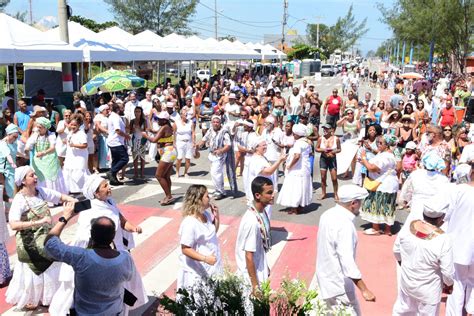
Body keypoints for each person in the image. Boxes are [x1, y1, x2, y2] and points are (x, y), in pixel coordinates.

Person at [49, 174, 146, 315]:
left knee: (117, 286)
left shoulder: (111, 203)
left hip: (116, 250)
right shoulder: (88, 210)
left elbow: (123, 221)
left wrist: (134, 228)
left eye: (108, 184)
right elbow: (82, 238)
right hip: (96, 256)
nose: (109, 188)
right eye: (105, 186)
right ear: (95, 192)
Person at [6, 166, 76, 310]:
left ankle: (50, 296)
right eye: (32, 175)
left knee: (55, 257)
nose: (36, 177)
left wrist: (72, 200)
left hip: (47, 238)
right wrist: (38, 222)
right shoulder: (20, 200)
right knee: (47, 260)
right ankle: (35, 297)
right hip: (30, 243)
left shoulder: (41, 192)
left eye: (35, 174)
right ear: (23, 181)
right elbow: (13, 224)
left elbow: (60, 197)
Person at [44, 213, 140, 315]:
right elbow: (128, 277)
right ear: (113, 235)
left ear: (91, 234)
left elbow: (50, 243)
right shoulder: (125, 258)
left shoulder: (80, 256)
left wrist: (64, 218)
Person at [316, 184, 375, 315]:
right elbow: (347, 261)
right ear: (353, 203)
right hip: (339, 285)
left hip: (325, 278)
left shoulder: (327, 214)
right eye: (360, 202)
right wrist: (364, 289)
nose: (361, 205)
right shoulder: (345, 225)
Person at [392, 200, 454, 316]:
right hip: (429, 290)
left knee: (403, 311)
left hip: (407, 282)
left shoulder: (409, 227)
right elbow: (447, 272)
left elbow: (396, 251)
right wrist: (449, 285)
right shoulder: (443, 239)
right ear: (440, 219)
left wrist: (405, 265)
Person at [178, 185, 223, 292]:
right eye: (207, 196)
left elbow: (212, 233)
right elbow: (185, 249)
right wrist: (205, 259)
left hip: (211, 267)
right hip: (197, 272)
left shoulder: (205, 215)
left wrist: (216, 217)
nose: (210, 198)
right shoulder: (190, 223)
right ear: (198, 200)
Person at [235, 176, 274, 301]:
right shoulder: (252, 222)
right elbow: (249, 256)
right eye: (269, 193)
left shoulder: (261, 212)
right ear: (258, 195)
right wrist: (255, 286)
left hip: (259, 268)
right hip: (252, 276)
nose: (272, 195)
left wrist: (265, 265)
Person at [444, 170, 474, 316]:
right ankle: (471, 310)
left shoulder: (459, 190)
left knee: (457, 282)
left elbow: (446, 214)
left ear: (471, 172)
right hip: (464, 245)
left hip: (459, 245)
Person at [359, 134, 399, 235]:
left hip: (382, 184)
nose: (378, 144)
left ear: (387, 145)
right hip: (390, 183)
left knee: (375, 204)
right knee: (387, 205)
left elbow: (373, 168)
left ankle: (376, 228)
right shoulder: (390, 155)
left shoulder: (385, 156)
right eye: (377, 142)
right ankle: (387, 229)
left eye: (381, 143)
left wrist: (363, 158)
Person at [196, 115, 237, 200]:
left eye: (217, 122)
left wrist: (221, 151)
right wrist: (199, 145)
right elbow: (204, 139)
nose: (215, 124)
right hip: (211, 155)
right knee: (213, 174)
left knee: (216, 173)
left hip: (220, 155)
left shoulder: (224, 132)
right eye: (214, 122)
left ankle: (221, 192)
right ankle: (217, 189)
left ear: (220, 123)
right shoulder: (210, 130)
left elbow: (228, 145)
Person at [246, 137, 286, 218]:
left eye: (266, 145)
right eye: (263, 145)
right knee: (261, 214)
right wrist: (280, 160)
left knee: (266, 213)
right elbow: (268, 172)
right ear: (256, 147)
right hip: (260, 192)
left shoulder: (262, 157)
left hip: (265, 190)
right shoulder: (256, 160)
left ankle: (265, 228)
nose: (265, 147)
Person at [142, 111, 177, 205]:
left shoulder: (164, 127)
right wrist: (150, 130)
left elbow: (154, 140)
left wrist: (145, 135)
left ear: (164, 120)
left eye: (159, 119)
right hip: (172, 151)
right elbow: (159, 133)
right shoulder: (167, 127)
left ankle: (169, 196)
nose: (157, 120)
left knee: (159, 175)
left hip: (168, 152)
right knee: (166, 176)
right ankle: (169, 195)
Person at [25, 117, 67, 195]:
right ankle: (42, 195)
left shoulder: (51, 135)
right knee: (41, 178)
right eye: (37, 126)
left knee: (50, 178)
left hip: (50, 160)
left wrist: (43, 153)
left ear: (45, 128)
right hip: (39, 161)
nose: (38, 129)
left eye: (40, 127)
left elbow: (52, 148)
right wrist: (27, 149)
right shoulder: (35, 134)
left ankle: (53, 197)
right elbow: (29, 143)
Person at [277, 123, 312, 214]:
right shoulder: (306, 142)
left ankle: (295, 207)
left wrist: (290, 165)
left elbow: (297, 156)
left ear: (297, 134)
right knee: (302, 186)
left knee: (295, 187)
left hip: (297, 169)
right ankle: (300, 205)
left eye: (294, 134)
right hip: (305, 168)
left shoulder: (299, 143)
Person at [63, 114, 90, 194]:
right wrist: (66, 142)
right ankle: (73, 189)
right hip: (71, 155)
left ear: (79, 125)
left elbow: (85, 145)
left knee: (79, 172)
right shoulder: (70, 133)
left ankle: (84, 188)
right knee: (69, 171)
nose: (73, 126)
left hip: (80, 156)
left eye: (75, 125)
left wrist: (74, 145)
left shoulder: (81, 134)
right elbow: (69, 142)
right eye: (71, 124)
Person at [107, 102, 131, 186]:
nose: (123, 109)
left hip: (115, 141)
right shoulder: (116, 117)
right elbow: (117, 130)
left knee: (116, 160)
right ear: (117, 109)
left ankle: (113, 179)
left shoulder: (114, 116)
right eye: (122, 108)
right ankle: (112, 172)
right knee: (125, 159)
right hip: (116, 142)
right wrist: (126, 136)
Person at [316, 124, 341, 200]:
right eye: (324, 129)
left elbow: (339, 149)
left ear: (331, 130)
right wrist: (324, 150)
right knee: (323, 177)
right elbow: (316, 148)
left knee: (334, 178)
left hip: (332, 159)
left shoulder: (336, 139)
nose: (325, 130)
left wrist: (333, 151)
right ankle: (323, 193)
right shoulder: (321, 138)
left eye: (327, 129)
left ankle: (336, 194)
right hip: (323, 159)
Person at [0, 124, 19, 209]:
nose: (15, 138)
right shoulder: (3, 144)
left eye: (16, 136)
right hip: (5, 171)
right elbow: (8, 155)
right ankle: (8, 212)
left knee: (12, 191)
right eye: (14, 136)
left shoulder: (14, 143)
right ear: (8, 134)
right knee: (8, 191)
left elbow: (16, 153)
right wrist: (12, 163)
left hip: (12, 170)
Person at [173, 108, 196, 178]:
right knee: (179, 158)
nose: (186, 115)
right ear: (181, 115)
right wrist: (174, 142)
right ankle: (177, 172)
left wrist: (194, 142)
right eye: (184, 114)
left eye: (187, 114)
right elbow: (174, 133)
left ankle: (186, 172)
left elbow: (193, 132)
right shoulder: (176, 123)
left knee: (188, 158)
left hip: (188, 142)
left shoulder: (191, 122)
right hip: (179, 142)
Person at [130, 106, 148, 179]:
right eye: (136, 111)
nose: (137, 113)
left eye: (139, 111)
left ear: (141, 112)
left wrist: (140, 128)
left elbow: (146, 130)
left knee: (142, 158)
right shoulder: (132, 121)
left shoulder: (144, 121)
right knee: (135, 158)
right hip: (135, 140)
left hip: (142, 140)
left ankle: (142, 173)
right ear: (134, 112)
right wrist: (133, 130)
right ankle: (136, 173)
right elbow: (130, 131)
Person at [94, 104, 110, 170]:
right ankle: (101, 166)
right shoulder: (98, 116)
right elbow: (98, 125)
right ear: (102, 110)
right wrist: (106, 131)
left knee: (106, 152)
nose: (107, 111)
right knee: (102, 152)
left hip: (107, 136)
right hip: (101, 136)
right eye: (106, 110)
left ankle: (106, 165)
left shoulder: (107, 117)